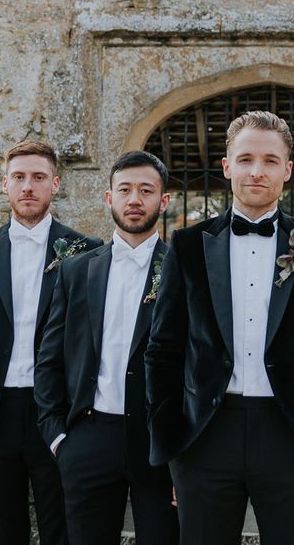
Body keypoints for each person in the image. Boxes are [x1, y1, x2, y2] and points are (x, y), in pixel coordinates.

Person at [144, 110, 294, 545]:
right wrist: (171, 437)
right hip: (205, 436)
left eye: (269, 160)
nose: (256, 171)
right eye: (245, 159)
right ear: (227, 167)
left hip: (292, 436)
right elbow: (163, 350)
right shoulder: (187, 246)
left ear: (287, 169)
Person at [35, 150, 178, 545]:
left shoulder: (184, 270)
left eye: (146, 190)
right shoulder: (76, 271)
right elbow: (49, 359)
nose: (135, 199)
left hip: (157, 444)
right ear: (108, 197)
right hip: (88, 439)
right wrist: (58, 438)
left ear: (163, 201)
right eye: (125, 189)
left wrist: (183, 452)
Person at [0, 140, 102, 545]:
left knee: (63, 526)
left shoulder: (87, 252)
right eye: (18, 177)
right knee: (1, 529)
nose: (28, 186)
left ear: (55, 184)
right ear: (4, 184)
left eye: (38, 177)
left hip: (56, 411)